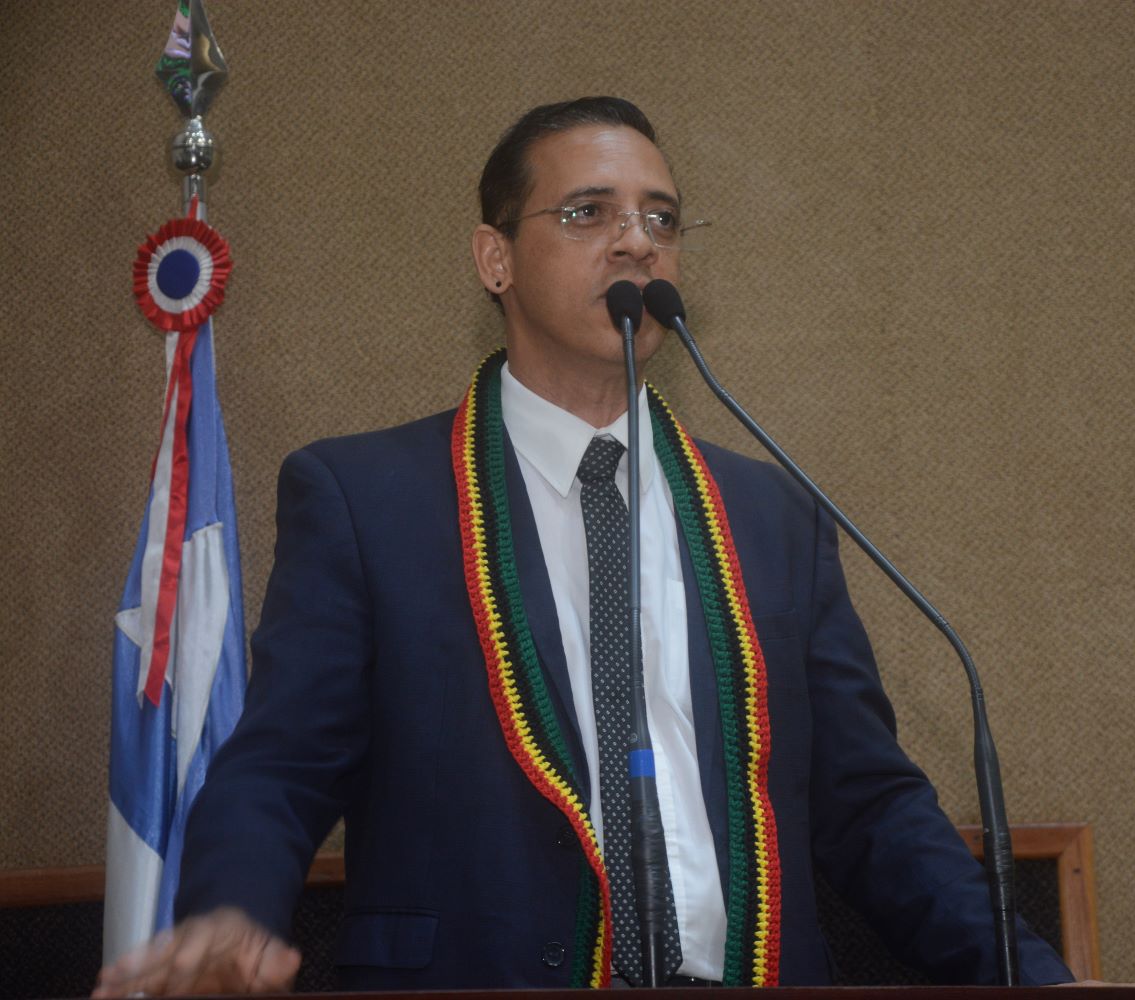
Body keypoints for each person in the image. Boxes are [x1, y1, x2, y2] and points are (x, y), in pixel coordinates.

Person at [95, 96, 1080, 995]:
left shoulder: (774, 514)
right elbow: (282, 765)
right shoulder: (368, 498)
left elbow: (870, 805)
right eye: (588, 213)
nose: (637, 241)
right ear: (494, 259)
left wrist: (1040, 981)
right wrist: (229, 914)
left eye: (662, 218)